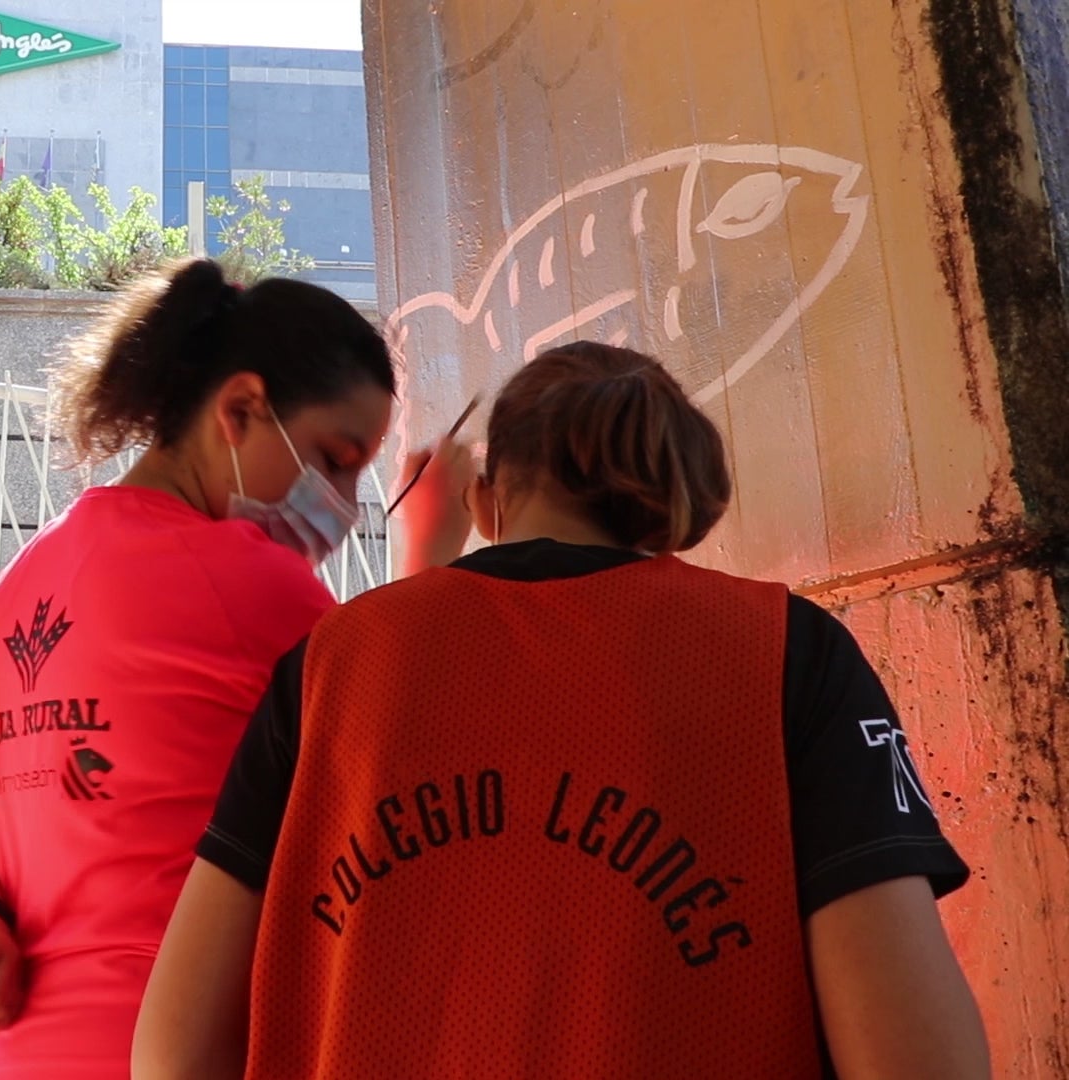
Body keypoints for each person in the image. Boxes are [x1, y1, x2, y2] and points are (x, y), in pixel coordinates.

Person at [133, 341, 991, 1080]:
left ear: (485, 498)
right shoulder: (788, 653)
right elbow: (913, 1059)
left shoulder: (330, 663)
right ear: (677, 507)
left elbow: (173, 1052)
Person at [0, 258, 474, 1078]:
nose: (347, 503)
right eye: (334, 457)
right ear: (241, 409)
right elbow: (407, 771)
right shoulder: (248, 585)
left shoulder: (0, 601)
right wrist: (432, 558)